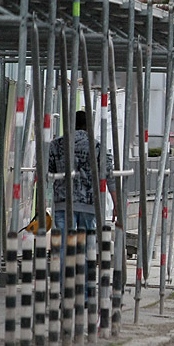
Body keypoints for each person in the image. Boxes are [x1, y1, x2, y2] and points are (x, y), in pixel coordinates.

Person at [48, 110, 114, 278]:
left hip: (63, 202)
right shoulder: (97, 146)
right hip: (89, 203)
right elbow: (109, 176)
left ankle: (64, 289)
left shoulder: (57, 144)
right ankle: (84, 293)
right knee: (86, 247)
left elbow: (45, 174)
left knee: (63, 247)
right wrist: (116, 205)